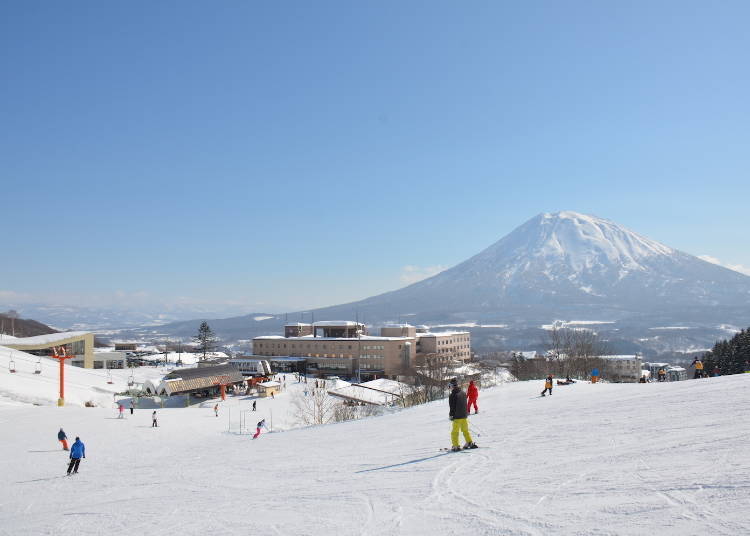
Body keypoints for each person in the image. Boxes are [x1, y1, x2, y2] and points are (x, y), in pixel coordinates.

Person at [448, 378, 477, 451]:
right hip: (464, 415)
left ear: (452, 386)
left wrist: (451, 415)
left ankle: (456, 446)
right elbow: (464, 404)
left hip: (457, 417)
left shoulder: (452, 395)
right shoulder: (463, 393)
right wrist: (466, 413)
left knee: (454, 432)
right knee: (465, 430)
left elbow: (452, 407)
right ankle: (469, 442)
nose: (449, 387)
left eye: (450, 385)